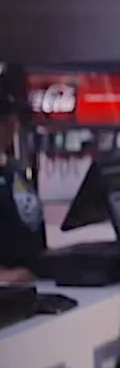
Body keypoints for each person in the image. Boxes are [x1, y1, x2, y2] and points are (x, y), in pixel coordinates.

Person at [0, 63, 45, 284]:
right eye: (4, 120)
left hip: (31, 288)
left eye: (12, 118)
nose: (11, 126)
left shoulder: (15, 170)